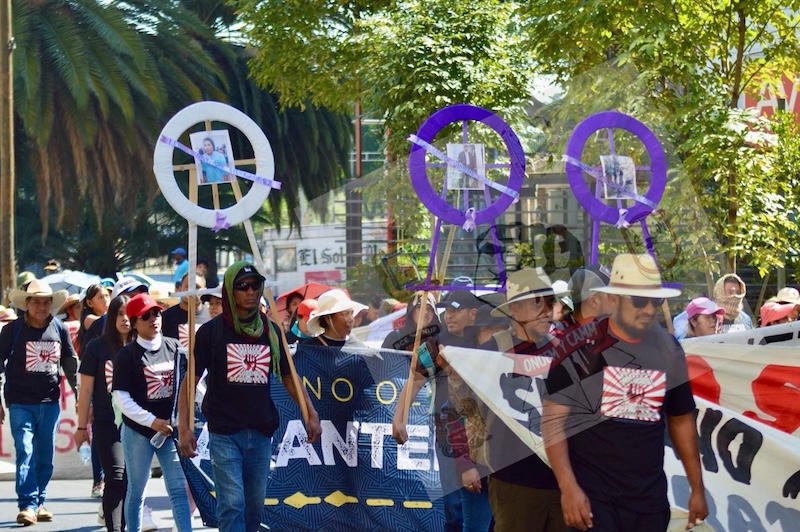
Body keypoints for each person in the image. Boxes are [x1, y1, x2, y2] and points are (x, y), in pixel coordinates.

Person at [543, 254, 708, 531]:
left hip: (649, 503)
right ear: (615, 298)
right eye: (640, 301)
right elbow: (553, 421)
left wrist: (697, 488)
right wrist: (568, 487)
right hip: (593, 503)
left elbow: (681, 419)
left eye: (656, 301)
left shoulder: (669, 349)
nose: (649, 309)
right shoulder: (578, 347)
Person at [177, 262, 321, 532]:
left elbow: (289, 376)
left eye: (255, 285)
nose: (251, 291)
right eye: (243, 286)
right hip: (224, 432)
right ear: (230, 292)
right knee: (232, 505)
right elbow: (190, 382)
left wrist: (310, 413)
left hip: (261, 432)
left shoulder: (271, 331)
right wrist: (183, 427)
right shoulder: (210, 332)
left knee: (254, 509)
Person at [477, 268, 566, 532]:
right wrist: (465, 463)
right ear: (514, 309)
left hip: (561, 481)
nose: (546, 311)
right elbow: (463, 407)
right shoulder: (492, 350)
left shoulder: (563, 351)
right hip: (513, 481)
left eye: (549, 303)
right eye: (537, 303)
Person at [0, 279, 78, 526]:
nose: (41, 307)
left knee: (45, 456)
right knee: (25, 451)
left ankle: (39, 500)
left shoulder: (60, 328)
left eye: (46, 302)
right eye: (36, 302)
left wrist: (80, 395)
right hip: (20, 403)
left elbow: (70, 363)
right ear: (27, 304)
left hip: (50, 403)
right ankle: (27, 505)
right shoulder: (11, 331)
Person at [112, 293, 192, 532]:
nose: (153, 319)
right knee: (137, 490)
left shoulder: (175, 347)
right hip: (138, 431)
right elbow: (121, 398)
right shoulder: (127, 354)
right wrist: (151, 421)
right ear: (134, 323)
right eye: (145, 316)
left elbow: (189, 384)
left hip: (170, 431)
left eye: (156, 313)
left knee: (178, 488)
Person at [74, 294, 132, 532]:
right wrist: (81, 428)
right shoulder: (96, 348)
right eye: (119, 314)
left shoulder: (142, 347)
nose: (125, 319)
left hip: (138, 426)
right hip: (107, 423)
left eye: (130, 314)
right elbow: (86, 390)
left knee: (131, 481)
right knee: (116, 477)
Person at [83, 278, 149, 348]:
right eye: (131, 297)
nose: (136, 301)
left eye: (139, 296)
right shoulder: (101, 323)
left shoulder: (148, 320)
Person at [161, 273, 211, 346]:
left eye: (197, 287)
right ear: (180, 289)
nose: (192, 291)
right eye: (188, 286)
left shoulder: (211, 316)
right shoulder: (166, 317)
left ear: (205, 290)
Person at [78, 283, 111, 352]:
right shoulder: (88, 318)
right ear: (89, 303)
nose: (105, 300)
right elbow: (105, 321)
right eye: (100, 297)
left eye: (107, 296)